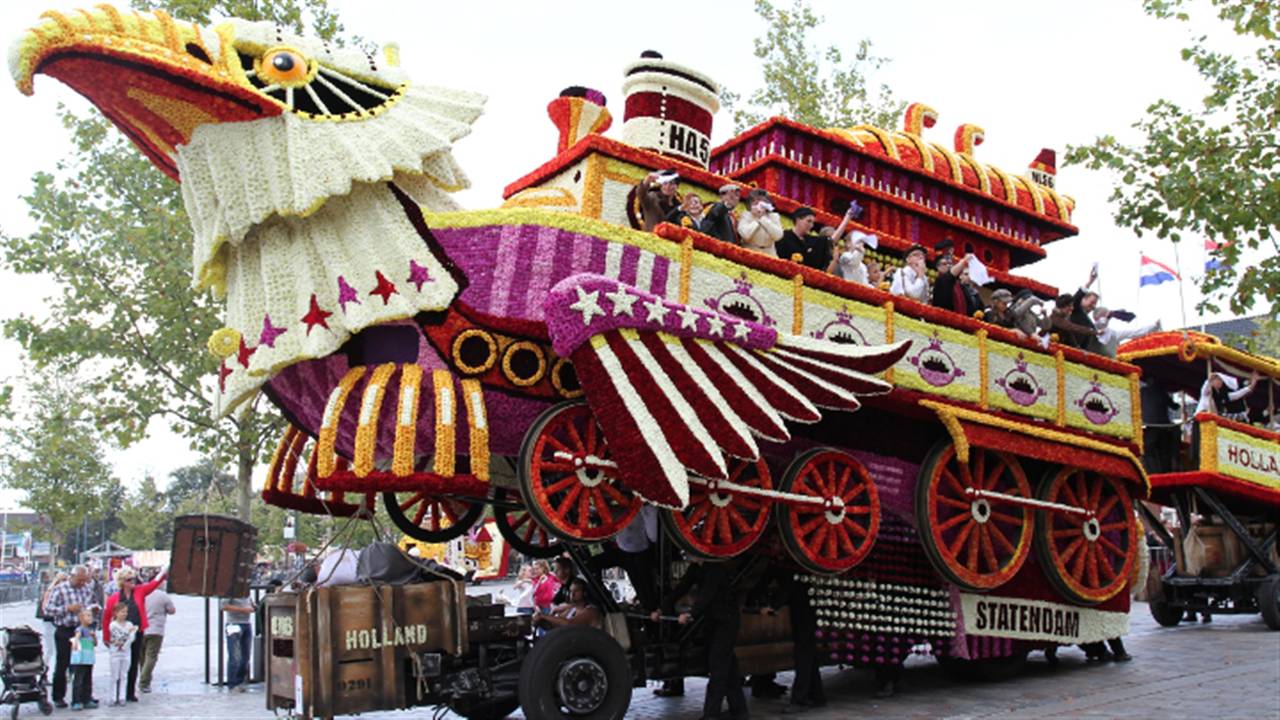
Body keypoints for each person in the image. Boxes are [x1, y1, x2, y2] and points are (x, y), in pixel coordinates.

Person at [657, 558, 748, 720]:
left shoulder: (715, 570)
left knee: (718, 666)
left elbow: (706, 596)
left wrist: (690, 614)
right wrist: (661, 608)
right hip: (713, 622)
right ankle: (739, 710)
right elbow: (682, 587)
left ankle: (711, 714)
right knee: (729, 667)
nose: (686, 555)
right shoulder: (695, 568)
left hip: (726, 622)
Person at [103, 566, 167, 702]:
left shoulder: (139, 591)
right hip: (120, 634)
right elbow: (107, 617)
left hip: (136, 632)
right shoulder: (114, 598)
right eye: (128, 579)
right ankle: (118, 692)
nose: (132, 582)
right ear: (122, 582)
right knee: (120, 663)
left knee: (133, 662)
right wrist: (106, 637)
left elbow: (153, 584)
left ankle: (130, 692)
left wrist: (163, 572)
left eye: (133, 579)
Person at [586, 505, 659, 613]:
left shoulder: (645, 510)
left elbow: (653, 536)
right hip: (625, 550)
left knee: (642, 580)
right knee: (591, 564)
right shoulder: (611, 512)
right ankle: (648, 607)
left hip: (638, 551)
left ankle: (650, 608)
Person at [45, 565, 98, 709]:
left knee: (85, 664)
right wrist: (67, 609)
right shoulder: (60, 589)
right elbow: (48, 610)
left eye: (84, 580)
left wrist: (94, 609)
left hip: (83, 630)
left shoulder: (87, 589)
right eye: (80, 580)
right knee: (63, 663)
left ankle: (85, 696)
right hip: (65, 630)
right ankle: (58, 696)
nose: (82, 583)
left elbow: (93, 602)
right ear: (72, 576)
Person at [138, 580, 176, 693]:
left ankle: (144, 678)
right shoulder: (162, 595)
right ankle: (144, 681)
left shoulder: (142, 593)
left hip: (141, 628)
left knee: (142, 657)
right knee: (151, 656)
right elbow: (172, 610)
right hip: (156, 629)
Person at [532, 578, 602, 630]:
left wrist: (543, 616)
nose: (572, 594)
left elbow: (570, 624)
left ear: (584, 593)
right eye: (571, 591)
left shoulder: (591, 610)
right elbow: (556, 625)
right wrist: (540, 620)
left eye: (576, 591)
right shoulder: (572, 610)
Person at [775, 207, 832, 271]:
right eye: (809, 221)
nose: (811, 225)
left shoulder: (811, 240)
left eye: (813, 223)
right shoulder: (784, 236)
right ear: (798, 220)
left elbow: (828, 241)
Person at [1093, 308, 1160, 357]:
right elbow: (1100, 324)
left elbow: (1135, 332)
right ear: (1095, 318)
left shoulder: (1113, 334)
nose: (1105, 319)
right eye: (1103, 315)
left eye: (1106, 316)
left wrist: (1154, 325)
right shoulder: (1090, 329)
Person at [221, 595, 254, 692]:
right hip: (233, 623)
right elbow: (223, 606)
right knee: (234, 656)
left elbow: (250, 604)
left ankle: (240, 681)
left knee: (246, 656)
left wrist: (253, 606)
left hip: (247, 623)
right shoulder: (231, 590)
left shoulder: (247, 592)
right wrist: (243, 610)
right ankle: (233, 683)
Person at [106, 603, 137, 706]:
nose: (124, 614)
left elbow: (132, 638)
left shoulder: (129, 624)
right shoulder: (113, 625)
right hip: (115, 653)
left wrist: (130, 634)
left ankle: (122, 696)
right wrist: (128, 633)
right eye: (122, 612)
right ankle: (112, 697)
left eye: (125, 612)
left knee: (124, 675)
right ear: (116, 613)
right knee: (114, 675)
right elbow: (118, 636)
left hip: (126, 652)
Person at [737, 188, 784, 254]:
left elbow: (778, 236)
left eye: (762, 202)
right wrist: (757, 220)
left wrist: (762, 218)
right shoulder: (746, 215)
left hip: (770, 252)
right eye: (755, 202)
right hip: (749, 251)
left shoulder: (774, 216)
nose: (759, 205)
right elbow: (745, 235)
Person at [69, 608, 97, 711]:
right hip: (81, 658)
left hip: (89, 658)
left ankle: (87, 698)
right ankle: (76, 700)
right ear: (81, 618)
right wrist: (75, 643)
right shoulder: (80, 629)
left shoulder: (91, 630)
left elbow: (95, 643)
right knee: (79, 679)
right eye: (87, 615)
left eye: (91, 615)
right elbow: (77, 637)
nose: (90, 617)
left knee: (88, 679)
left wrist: (94, 637)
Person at [38, 571, 67, 669]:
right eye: (62, 580)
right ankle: (44, 671)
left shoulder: (65, 591)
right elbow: (46, 609)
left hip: (59, 624)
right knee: (50, 650)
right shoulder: (51, 591)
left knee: (59, 650)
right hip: (50, 623)